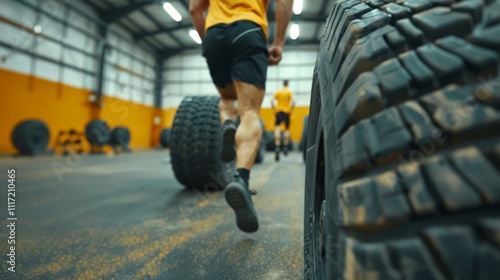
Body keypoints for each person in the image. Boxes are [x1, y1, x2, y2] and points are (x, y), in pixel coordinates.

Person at [189, 0, 293, 232]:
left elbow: (195, 9)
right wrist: (278, 42)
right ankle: (241, 179)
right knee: (249, 112)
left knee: (227, 99)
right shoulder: (287, 93)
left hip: (214, 34)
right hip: (248, 29)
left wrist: (207, 39)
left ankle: (227, 124)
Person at [271, 79, 295, 161]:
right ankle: (285, 146)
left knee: (277, 128)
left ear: (283, 84)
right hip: (286, 112)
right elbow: (293, 101)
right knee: (286, 130)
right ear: (287, 84)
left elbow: (272, 100)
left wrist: (274, 108)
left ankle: (277, 147)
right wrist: (291, 109)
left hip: (278, 111)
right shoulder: (289, 92)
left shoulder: (278, 91)